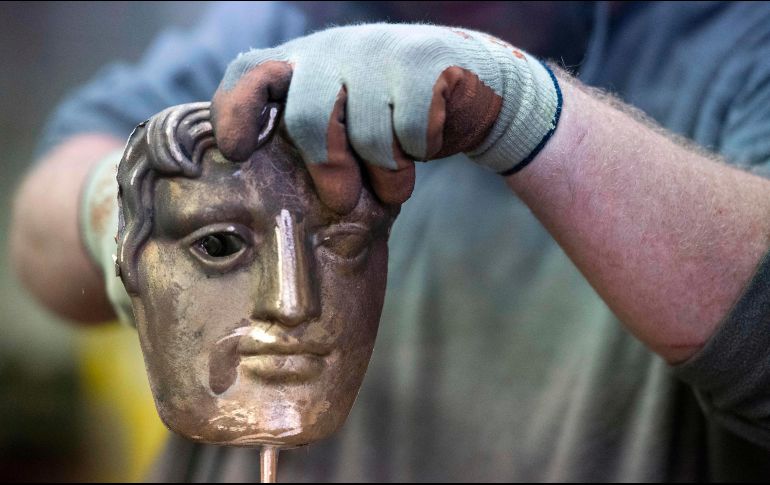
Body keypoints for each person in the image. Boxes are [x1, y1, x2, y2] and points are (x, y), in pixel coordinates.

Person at [10, 1, 770, 481]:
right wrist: (123, 203)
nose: (291, 305)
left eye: (343, 243)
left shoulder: (736, 48)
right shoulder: (273, 31)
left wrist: (532, 116)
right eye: (220, 247)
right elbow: (42, 229)